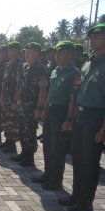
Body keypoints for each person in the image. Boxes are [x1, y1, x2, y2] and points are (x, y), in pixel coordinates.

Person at [58, 23, 105, 211]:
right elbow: (77, 92)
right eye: (91, 37)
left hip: (96, 117)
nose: (92, 40)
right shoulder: (88, 63)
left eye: (97, 36)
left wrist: (103, 129)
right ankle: (76, 196)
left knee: (90, 163)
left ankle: (86, 203)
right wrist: (71, 117)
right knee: (77, 159)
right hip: (80, 115)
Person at [32, 41, 80, 191]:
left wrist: (69, 119)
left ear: (70, 55)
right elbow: (49, 92)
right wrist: (44, 110)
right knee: (47, 144)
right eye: (56, 53)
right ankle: (47, 173)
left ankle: (56, 180)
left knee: (57, 148)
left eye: (61, 53)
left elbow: (74, 98)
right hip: (51, 110)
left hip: (62, 112)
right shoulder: (55, 70)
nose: (57, 56)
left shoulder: (75, 73)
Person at [12, 42, 47, 167]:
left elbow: (43, 90)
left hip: (32, 107)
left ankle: (30, 157)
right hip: (22, 105)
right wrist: (16, 101)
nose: (26, 54)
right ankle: (24, 153)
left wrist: (39, 108)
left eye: (29, 52)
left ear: (37, 53)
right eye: (26, 51)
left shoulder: (41, 68)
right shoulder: (25, 66)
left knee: (30, 132)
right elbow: (19, 86)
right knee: (22, 130)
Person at [0, 41, 23, 153]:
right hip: (5, 98)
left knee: (12, 122)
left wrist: (15, 101)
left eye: (10, 50)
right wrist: (1, 95)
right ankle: (7, 142)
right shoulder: (9, 64)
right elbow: (4, 82)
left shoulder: (19, 65)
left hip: (12, 99)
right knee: (5, 121)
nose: (8, 52)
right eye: (8, 50)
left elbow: (19, 85)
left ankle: (12, 145)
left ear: (17, 51)